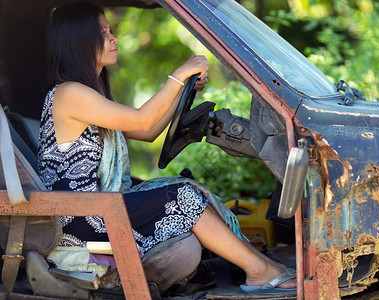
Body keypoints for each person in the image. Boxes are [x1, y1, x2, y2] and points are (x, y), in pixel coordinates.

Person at [37, 2, 296, 295]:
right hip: (83, 222)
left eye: (110, 30)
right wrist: (178, 76)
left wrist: (182, 89)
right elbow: (143, 118)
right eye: (103, 32)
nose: (114, 38)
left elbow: (147, 131)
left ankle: (262, 265)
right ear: (80, 40)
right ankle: (259, 272)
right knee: (182, 196)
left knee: (189, 188)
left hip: (99, 210)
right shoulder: (69, 93)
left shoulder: (88, 94)